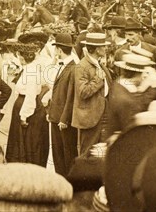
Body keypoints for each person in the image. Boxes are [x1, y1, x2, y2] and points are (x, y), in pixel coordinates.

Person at [6, 43, 49, 166]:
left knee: (29, 142)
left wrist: (24, 116)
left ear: (23, 57)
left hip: (28, 107)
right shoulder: (29, 68)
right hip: (24, 105)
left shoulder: (31, 71)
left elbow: (30, 96)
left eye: (19, 55)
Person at [43, 33, 78, 178]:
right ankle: (61, 180)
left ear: (59, 49)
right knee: (58, 153)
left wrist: (64, 119)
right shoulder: (64, 66)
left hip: (63, 120)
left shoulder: (72, 68)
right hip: (56, 117)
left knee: (66, 153)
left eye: (56, 48)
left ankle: (68, 183)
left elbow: (70, 96)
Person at [72, 33, 112, 156]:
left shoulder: (99, 64)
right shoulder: (82, 66)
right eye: (103, 46)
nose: (106, 49)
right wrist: (98, 80)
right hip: (90, 117)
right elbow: (82, 92)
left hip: (103, 114)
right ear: (95, 49)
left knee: (100, 153)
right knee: (87, 153)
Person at [107, 53, 156, 137]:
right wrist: (153, 89)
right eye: (144, 73)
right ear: (137, 75)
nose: (146, 76)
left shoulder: (118, 84)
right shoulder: (127, 100)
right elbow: (134, 130)